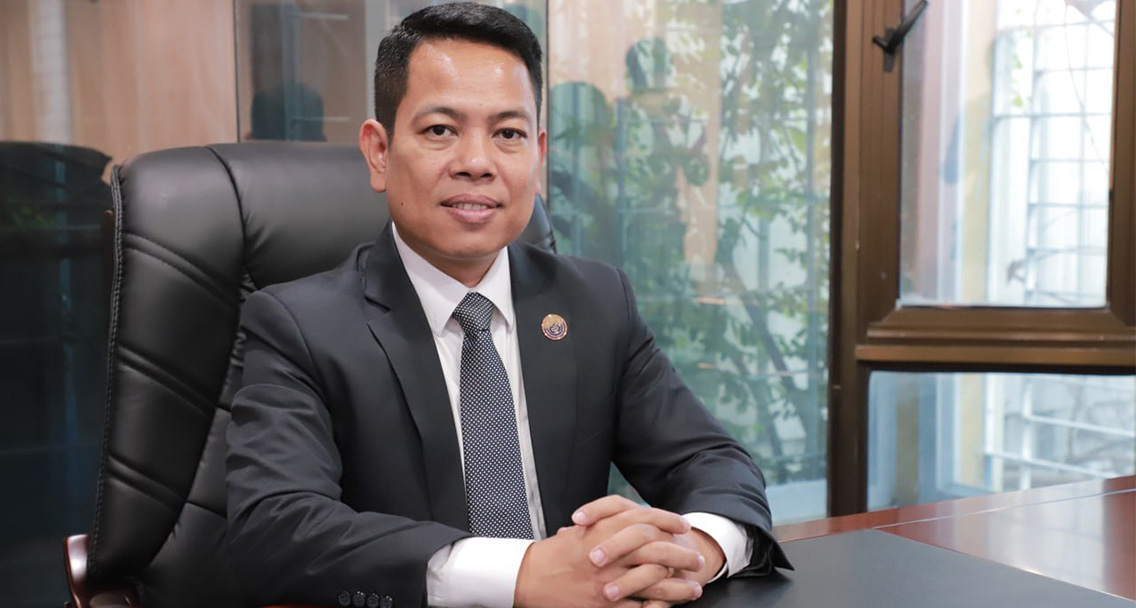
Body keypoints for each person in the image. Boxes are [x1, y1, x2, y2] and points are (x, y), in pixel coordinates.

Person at [225, 4, 790, 608]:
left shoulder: (596, 302)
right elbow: (277, 528)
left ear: (538, 154)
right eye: (440, 130)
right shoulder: (300, 327)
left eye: (508, 134)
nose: (477, 162)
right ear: (379, 151)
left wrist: (690, 550)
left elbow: (710, 461)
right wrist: (521, 573)